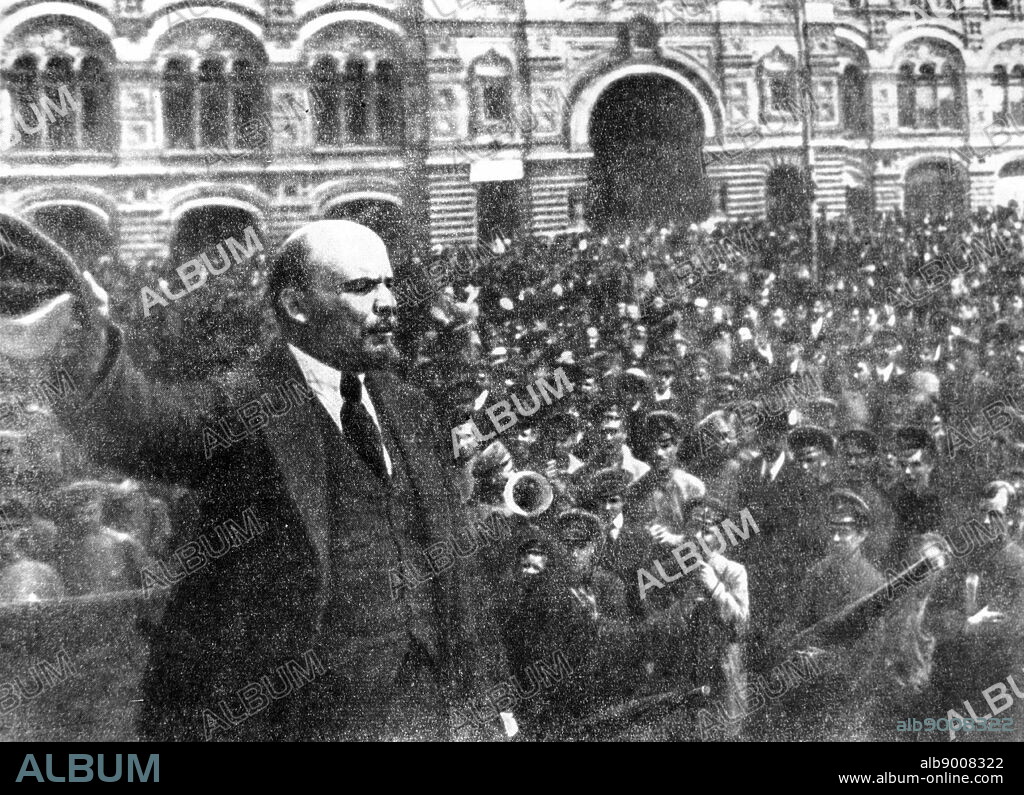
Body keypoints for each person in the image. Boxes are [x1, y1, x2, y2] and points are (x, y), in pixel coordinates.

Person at [39, 219, 505, 741]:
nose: (389, 302)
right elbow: (148, 429)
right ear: (297, 306)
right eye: (361, 287)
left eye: (388, 283)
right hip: (300, 714)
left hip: (424, 699)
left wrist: (487, 698)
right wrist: (87, 343)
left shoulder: (408, 405)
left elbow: (453, 565)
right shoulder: (246, 402)